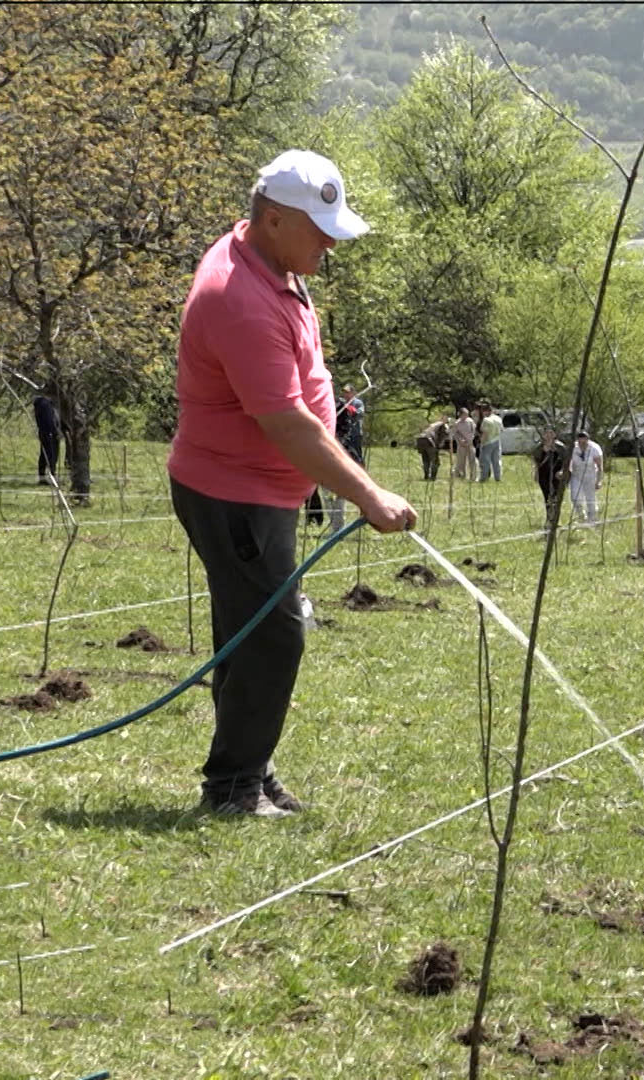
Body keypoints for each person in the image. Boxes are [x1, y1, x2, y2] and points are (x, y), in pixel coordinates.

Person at [167, 149, 415, 818]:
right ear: (273, 219)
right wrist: (368, 495)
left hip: (259, 491)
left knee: (250, 633)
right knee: (274, 635)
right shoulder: (238, 299)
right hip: (235, 495)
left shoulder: (269, 262)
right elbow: (287, 423)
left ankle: (249, 770)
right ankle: (232, 788)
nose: (331, 243)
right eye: (319, 229)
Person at [565, 430, 605, 526]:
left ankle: (592, 519)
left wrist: (598, 481)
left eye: (584, 442)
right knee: (575, 497)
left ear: (588, 440)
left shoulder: (594, 449)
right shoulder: (573, 448)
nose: (582, 444)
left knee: (590, 498)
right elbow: (568, 462)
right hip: (576, 474)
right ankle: (581, 516)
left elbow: (600, 466)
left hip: (590, 474)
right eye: (580, 442)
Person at [530, 426, 569, 523]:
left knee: (556, 497)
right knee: (547, 497)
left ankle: (555, 519)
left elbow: (566, 461)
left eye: (551, 433)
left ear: (555, 435)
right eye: (546, 433)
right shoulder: (539, 447)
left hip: (557, 475)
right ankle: (549, 518)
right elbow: (536, 461)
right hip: (543, 475)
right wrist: (535, 473)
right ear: (543, 435)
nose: (549, 435)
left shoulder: (561, 447)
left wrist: (562, 471)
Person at [32, 391, 62, 486]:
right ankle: (51, 476)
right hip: (49, 433)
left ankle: (43, 476)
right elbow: (49, 420)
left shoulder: (45, 404)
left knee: (45, 454)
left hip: (45, 432)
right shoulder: (45, 404)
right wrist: (55, 431)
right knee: (51, 455)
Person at [415, 414, 449, 482]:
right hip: (429, 440)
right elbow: (444, 434)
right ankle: (433, 478)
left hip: (421, 439)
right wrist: (440, 444)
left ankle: (426, 476)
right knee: (435, 461)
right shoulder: (443, 425)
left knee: (426, 460)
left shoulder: (433, 424)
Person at [476, 401, 504, 483]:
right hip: (497, 441)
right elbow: (502, 429)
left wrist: (481, 443)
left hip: (488, 442)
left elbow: (485, 433)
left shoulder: (486, 420)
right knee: (496, 460)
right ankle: (498, 477)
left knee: (485, 461)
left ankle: (483, 478)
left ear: (485, 411)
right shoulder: (498, 419)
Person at [451, 407, 476, 480]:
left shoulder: (470, 421)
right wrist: (460, 441)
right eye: (465, 414)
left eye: (467, 414)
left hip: (470, 443)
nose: (466, 416)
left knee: (472, 460)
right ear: (461, 415)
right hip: (461, 445)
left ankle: (473, 476)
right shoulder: (457, 423)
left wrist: (470, 439)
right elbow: (455, 433)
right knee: (461, 461)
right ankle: (462, 475)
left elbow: (473, 431)